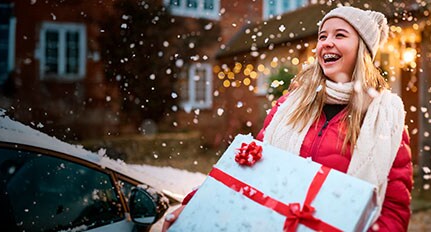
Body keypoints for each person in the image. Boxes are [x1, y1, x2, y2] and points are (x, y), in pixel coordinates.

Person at [163, 6, 412, 231]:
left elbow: (393, 210)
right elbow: (249, 171)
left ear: (363, 49)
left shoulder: (384, 119)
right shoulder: (289, 106)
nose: (326, 43)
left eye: (340, 35)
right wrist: (196, 206)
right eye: (322, 36)